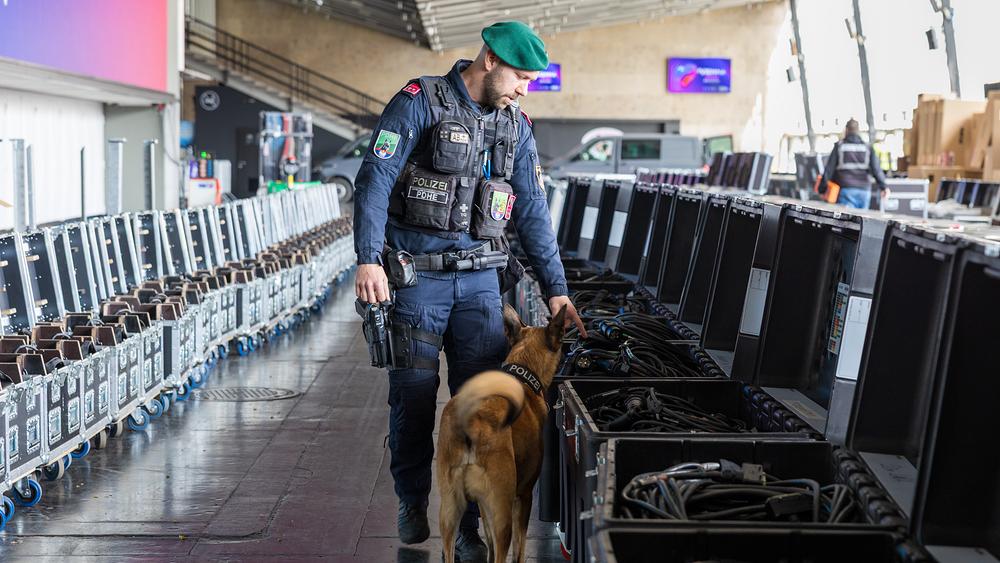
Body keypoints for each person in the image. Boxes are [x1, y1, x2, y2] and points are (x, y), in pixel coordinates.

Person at [352, 21, 586, 563]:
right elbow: (375, 179)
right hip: (416, 280)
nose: (524, 89)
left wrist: (556, 290)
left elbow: (532, 211)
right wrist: (367, 258)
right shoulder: (420, 101)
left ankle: (469, 527)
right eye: (521, 77)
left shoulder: (515, 127)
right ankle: (412, 496)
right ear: (490, 60)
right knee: (413, 399)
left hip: (482, 285)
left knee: (484, 409)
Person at [817, 119, 888, 209]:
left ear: (846, 130)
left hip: (846, 189)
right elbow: (876, 169)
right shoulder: (867, 147)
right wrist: (883, 187)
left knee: (846, 218)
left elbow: (829, 170)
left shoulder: (839, 146)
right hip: (864, 191)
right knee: (862, 217)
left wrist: (822, 189)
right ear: (858, 130)